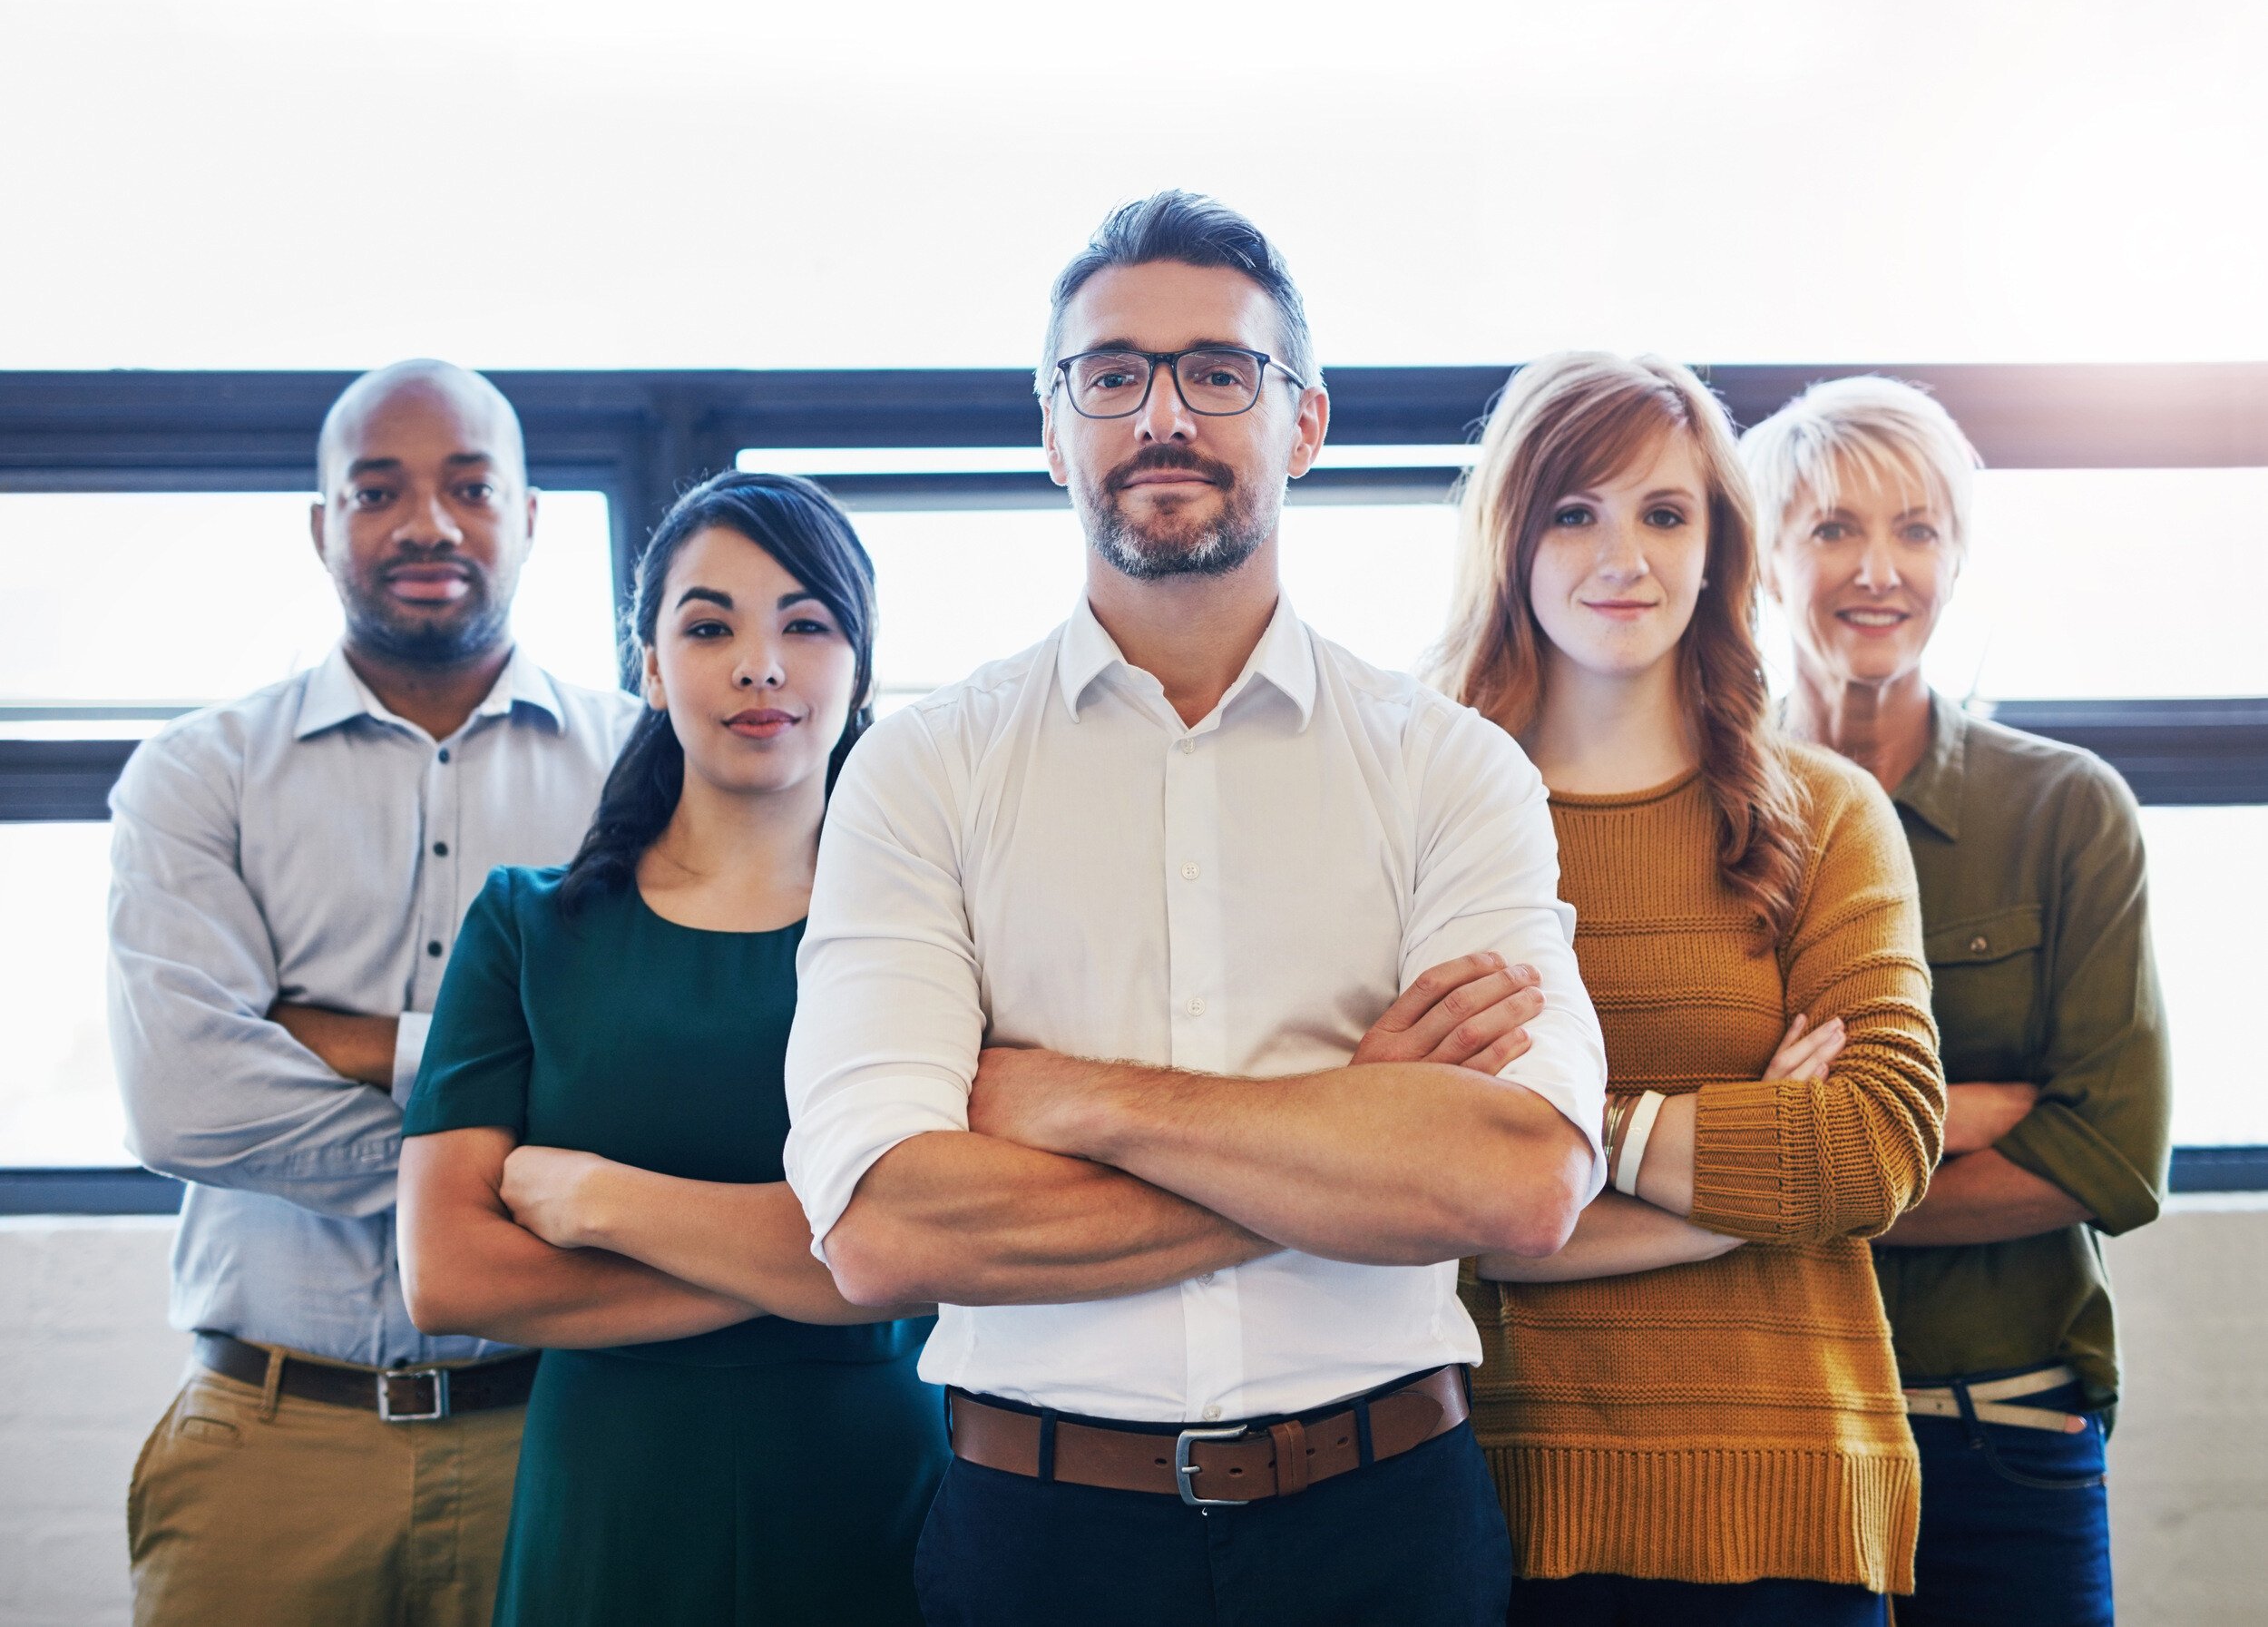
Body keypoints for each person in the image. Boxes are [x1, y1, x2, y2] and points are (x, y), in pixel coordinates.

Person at [774, 191, 1609, 1627]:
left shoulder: (1448, 768)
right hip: (1039, 1542)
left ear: (1304, 422)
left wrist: (1074, 1102)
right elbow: (882, 1229)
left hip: (1385, 1524)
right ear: (1054, 428)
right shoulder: (920, 772)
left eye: (1220, 372)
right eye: (1112, 375)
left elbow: (1517, 1181)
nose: (1164, 412)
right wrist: (1355, 1121)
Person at [107, 358, 640, 1627]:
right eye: (378, 489)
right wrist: (515, 1147)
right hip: (272, 1446)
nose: (429, 525)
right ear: (321, 523)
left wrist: (327, 1037)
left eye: (470, 486)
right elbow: (184, 1104)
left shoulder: (643, 770)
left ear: (528, 516)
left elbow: (659, 1087)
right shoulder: (199, 775)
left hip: (557, 1439)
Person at [1434, 351, 1947, 1623]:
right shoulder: (1425, 825)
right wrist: (1739, 1194)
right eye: (1575, 511)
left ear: (1721, 543)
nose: (1626, 556)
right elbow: (1429, 1211)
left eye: (1665, 513)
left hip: (1795, 1500)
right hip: (1498, 1496)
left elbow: (1878, 1142)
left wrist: (1574, 1134)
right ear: (1512, 538)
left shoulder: (1826, 814)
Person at [396, 472, 947, 1624]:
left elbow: (930, 1249)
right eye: (710, 626)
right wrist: (817, 1269)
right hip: (610, 1499)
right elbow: (449, 1273)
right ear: (647, 663)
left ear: (858, 666)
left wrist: (601, 1199)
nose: (761, 664)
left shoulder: (938, 935)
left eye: (806, 623)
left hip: (876, 1492)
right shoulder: (526, 927)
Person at [1742, 377, 2170, 1627]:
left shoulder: (2068, 812)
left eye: (1917, 530)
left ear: (1956, 559)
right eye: (1831, 529)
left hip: (2006, 1431)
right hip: (1770, 1431)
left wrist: (1788, 1188)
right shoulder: (1693, 814)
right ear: (1764, 559)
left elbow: (2108, 1157)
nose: (1879, 569)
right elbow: (1651, 1116)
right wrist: (1971, 1113)